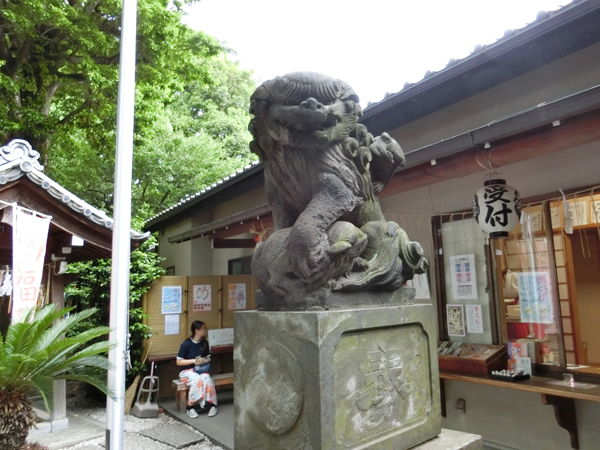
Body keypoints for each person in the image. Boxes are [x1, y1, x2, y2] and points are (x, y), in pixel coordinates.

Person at [176, 320, 218, 418]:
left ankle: (213, 404)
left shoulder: (204, 343)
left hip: (200, 369)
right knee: (197, 380)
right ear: (197, 330)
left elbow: (208, 357)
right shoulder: (186, 344)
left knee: (207, 378)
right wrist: (194, 361)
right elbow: (178, 362)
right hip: (186, 371)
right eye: (204, 328)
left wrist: (204, 360)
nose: (205, 330)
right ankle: (190, 407)